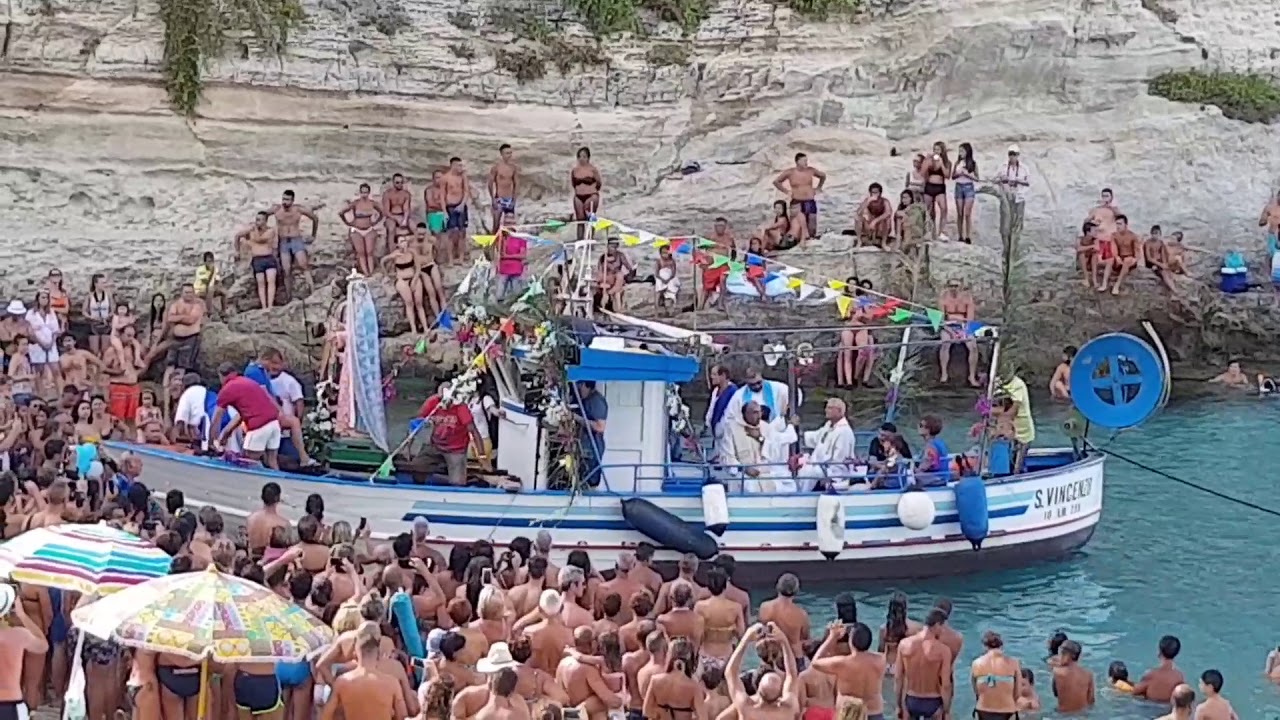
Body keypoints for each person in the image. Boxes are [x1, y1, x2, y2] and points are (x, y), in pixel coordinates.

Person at [210, 362, 284, 469]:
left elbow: (216, 418)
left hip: (259, 426)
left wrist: (212, 441)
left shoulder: (227, 389)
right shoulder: (248, 382)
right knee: (272, 461)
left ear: (221, 376)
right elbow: (241, 415)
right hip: (274, 423)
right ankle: (277, 478)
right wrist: (225, 434)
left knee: (248, 461)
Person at [415, 384, 488, 487]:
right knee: (416, 468)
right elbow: (416, 423)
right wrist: (408, 447)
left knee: (457, 482)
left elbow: (474, 431)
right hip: (435, 445)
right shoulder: (433, 402)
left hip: (456, 449)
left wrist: (482, 456)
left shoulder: (460, 407)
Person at [725, 623, 802, 720]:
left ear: (758, 691)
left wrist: (746, 639)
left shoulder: (747, 709)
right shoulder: (788, 710)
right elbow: (792, 675)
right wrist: (784, 641)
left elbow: (731, 673)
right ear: (780, 695)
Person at [894, 608, 952, 720]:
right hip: (933, 701)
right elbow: (946, 685)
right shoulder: (943, 650)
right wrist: (946, 710)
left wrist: (899, 706)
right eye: (943, 627)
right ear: (937, 625)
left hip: (911, 699)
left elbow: (898, 678)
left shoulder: (904, 644)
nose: (944, 630)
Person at [795, 398, 857, 492]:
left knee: (810, 473)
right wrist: (800, 434)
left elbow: (840, 458)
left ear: (839, 411)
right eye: (827, 407)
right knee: (803, 468)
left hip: (833, 470)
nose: (826, 410)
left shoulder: (844, 431)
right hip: (820, 465)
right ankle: (798, 493)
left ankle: (804, 495)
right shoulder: (828, 425)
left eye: (830, 408)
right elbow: (817, 437)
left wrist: (830, 474)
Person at [270, 188, 321, 292]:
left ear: (292, 200)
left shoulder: (298, 209)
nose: (285, 202)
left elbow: (314, 218)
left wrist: (313, 235)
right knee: (286, 270)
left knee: (304, 265)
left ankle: (312, 290)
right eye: (283, 199)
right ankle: (289, 296)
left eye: (287, 200)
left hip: (296, 240)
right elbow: (263, 215)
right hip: (283, 241)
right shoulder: (277, 209)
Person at [773, 152, 826, 242]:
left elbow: (823, 176)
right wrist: (786, 191)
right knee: (797, 225)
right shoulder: (790, 172)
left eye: (806, 160)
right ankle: (796, 240)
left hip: (809, 199)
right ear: (798, 161)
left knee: (812, 224)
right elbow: (776, 182)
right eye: (804, 161)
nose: (806, 162)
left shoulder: (811, 170)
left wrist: (819, 187)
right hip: (797, 201)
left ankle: (811, 239)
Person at [937, 278, 979, 387]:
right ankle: (944, 374)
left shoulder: (967, 299)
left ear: (960, 287)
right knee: (945, 343)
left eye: (956, 286)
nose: (953, 288)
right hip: (948, 326)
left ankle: (972, 376)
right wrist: (950, 331)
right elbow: (941, 321)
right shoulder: (943, 299)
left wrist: (964, 332)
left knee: (973, 346)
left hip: (964, 326)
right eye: (951, 286)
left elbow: (970, 319)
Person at [234, 211, 281, 309]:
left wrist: (253, 230)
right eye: (256, 219)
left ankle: (270, 305)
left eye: (259, 220)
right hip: (257, 259)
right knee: (261, 282)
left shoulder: (270, 231)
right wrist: (237, 251)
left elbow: (261, 239)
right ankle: (264, 306)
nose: (257, 222)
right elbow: (237, 236)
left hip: (268, 257)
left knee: (271, 280)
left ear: (265, 221)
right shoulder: (251, 230)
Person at [971, 631, 1022, 720]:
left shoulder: (976, 663)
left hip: (983, 710)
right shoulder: (1014, 663)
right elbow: (1018, 693)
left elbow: (976, 691)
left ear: (985, 646)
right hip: (1007, 710)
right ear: (1001, 646)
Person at [339, 183, 383, 276]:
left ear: (369, 193)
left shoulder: (372, 203)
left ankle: (371, 272)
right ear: (360, 193)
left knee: (369, 252)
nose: (364, 195)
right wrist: (348, 222)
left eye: (366, 192)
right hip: (357, 229)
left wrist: (376, 222)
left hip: (369, 228)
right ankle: (366, 273)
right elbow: (341, 212)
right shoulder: (355, 203)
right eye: (362, 192)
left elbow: (382, 212)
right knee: (361, 253)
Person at [573, 380, 608, 488]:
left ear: (584, 385)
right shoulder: (586, 400)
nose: (578, 389)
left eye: (579, 386)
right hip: (584, 448)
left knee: (588, 483)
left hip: (591, 450)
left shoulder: (596, 401)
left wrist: (576, 418)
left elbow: (600, 427)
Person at [1133, 635, 1187, 704]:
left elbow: (1134, 693)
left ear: (1159, 652)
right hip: (1168, 708)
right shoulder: (1179, 676)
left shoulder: (1150, 675)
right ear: (1176, 653)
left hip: (1148, 708)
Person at [999, 369, 1035, 471]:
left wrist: (989, 410)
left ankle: (1018, 472)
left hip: (1023, 431)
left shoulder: (1017, 385)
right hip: (1008, 430)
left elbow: (1013, 411)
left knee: (1017, 465)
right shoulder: (998, 383)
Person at [1100, 214, 1142, 295]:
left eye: (1120, 224)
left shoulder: (1132, 236)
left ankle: (1117, 285)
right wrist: (1117, 257)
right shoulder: (1114, 235)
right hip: (1119, 258)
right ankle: (1104, 284)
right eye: (1117, 224)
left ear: (1125, 225)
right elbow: (1113, 248)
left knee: (1127, 260)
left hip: (1130, 259)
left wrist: (1135, 259)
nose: (1118, 226)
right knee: (1110, 259)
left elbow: (1137, 251)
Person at [993, 145, 1029, 238]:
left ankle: (1015, 241)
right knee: (1006, 221)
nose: (1012, 157)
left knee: (1017, 222)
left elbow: (1028, 182)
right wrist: (1002, 179)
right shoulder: (1003, 167)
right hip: (1006, 196)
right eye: (1010, 154)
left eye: (1014, 154)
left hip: (1019, 197)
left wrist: (1018, 181)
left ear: (1018, 155)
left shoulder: (1024, 168)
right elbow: (994, 180)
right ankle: (1006, 242)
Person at [1050, 639, 1093, 713]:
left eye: (1062, 653)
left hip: (1063, 715)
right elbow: (1091, 700)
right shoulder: (1088, 675)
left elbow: (1056, 694)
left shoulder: (1057, 672)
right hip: (1082, 715)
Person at [571, 147, 603, 240]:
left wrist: (591, 190)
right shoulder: (574, 170)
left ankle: (590, 239)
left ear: (588, 158)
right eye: (580, 156)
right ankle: (580, 241)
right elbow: (573, 183)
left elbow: (599, 183)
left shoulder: (593, 170)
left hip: (591, 195)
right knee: (580, 220)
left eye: (584, 157)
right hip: (578, 197)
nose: (582, 159)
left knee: (590, 218)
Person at [488, 144, 520, 233]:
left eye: (510, 153)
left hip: (509, 199)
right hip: (499, 198)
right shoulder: (496, 167)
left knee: (510, 227)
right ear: (501, 154)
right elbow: (490, 184)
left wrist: (514, 200)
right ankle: (494, 241)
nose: (509, 155)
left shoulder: (513, 168)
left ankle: (507, 242)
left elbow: (516, 184)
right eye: (507, 153)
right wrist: (493, 199)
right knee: (496, 225)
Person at [952, 142, 979, 244]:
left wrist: (967, 174)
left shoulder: (973, 163)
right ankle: (960, 235)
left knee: (967, 213)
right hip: (959, 186)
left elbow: (977, 178)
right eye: (959, 151)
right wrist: (958, 174)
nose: (960, 153)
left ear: (967, 152)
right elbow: (953, 176)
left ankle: (968, 235)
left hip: (968, 187)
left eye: (962, 151)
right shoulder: (957, 163)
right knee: (960, 213)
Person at [381, 173, 414, 256]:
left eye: (401, 182)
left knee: (414, 227)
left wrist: (405, 219)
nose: (400, 184)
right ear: (393, 182)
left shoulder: (406, 194)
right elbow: (386, 211)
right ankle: (392, 253)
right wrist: (396, 219)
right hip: (391, 216)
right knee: (391, 229)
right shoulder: (387, 194)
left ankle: (415, 250)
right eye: (397, 182)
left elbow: (406, 209)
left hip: (402, 215)